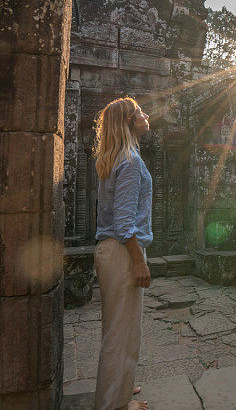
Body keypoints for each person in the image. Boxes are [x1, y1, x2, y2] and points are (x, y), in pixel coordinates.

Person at [92, 97, 153, 410]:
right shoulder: (128, 161)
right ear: (130, 122)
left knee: (119, 328)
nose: (146, 115)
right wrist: (139, 261)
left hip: (110, 251)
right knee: (120, 332)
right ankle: (113, 405)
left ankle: (120, 387)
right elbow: (124, 222)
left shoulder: (115, 157)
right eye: (140, 112)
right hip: (122, 251)